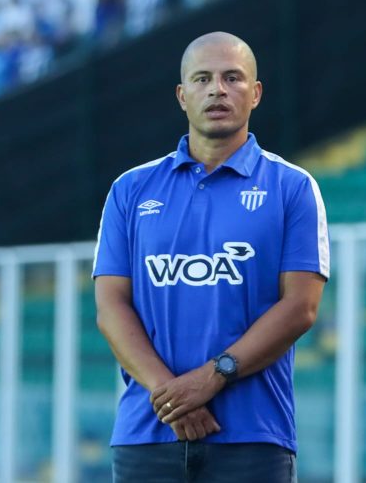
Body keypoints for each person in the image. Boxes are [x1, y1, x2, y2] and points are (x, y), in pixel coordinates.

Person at [92, 31, 329, 482]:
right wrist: (172, 395)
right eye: (202, 79)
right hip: (147, 434)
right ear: (183, 96)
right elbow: (110, 307)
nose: (217, 89)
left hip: (253, 438)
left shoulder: (292, 187)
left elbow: (301, 307)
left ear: (255, 93)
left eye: (232, 78)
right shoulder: (130, 190)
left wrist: (213, 376)